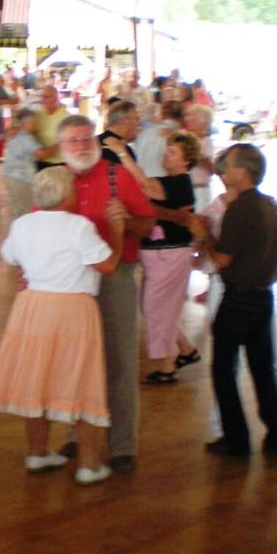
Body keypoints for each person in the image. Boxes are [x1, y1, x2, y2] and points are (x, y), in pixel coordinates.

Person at [0, 166, 123, 484]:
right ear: (65, 194)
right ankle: (89, 464)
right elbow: (109, 265)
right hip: (73, 308)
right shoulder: (79, 227)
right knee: (82, 381)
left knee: (36, 378)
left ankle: (37, 452)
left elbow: (10, 257)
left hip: (32, 307)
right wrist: (117, 230)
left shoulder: (23, 224)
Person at [56, 115, 154, 472]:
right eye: (73, 141)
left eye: (86, 139)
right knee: (74, 361)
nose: (82, 145)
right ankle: (74, 436)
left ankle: (122, 444)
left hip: (114, 279)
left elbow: (147, 225)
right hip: (70, 280)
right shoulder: (55, 181)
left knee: (119, 358)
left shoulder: (118, 176)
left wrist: (126, 222)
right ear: (61, 147)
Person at [189, 143, 277, 457]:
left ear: (244, 171)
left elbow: (222, 259)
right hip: (263, 297)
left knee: (224, 368)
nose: (223, 172)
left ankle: (236, 438)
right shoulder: (268, 204)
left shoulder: (240, 209)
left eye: (229, 167)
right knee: (263, 369)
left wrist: (204, 234)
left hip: (238, 298)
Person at [106, 131, 199, 383]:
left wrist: (121, 152)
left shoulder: (179, 183)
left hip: (169, 253)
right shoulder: (172, 183)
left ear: (186, 161)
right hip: (161, 254)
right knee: (159, 307)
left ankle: (167, 366)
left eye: (173, 152)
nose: (166, 155)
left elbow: (144, 186)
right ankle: (186, 350)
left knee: (154, 307)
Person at [1, 109, 55, 218]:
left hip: (11, 176)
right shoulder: (26, 138)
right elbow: (41, 154)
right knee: (25, 209)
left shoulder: (17, 134)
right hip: (20, 179)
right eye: (34, 122)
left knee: (17, 207)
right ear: (26, 123)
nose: (37, 125)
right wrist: (59, 145)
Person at [33, 86, 69, 172]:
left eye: (47, 97)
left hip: (59, 164)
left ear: (56, 98)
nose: (43, 100)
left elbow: (67, 141)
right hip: (39, 162)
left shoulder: (66, 117)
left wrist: (45, 152)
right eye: (42, 97)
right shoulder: (38, 114)